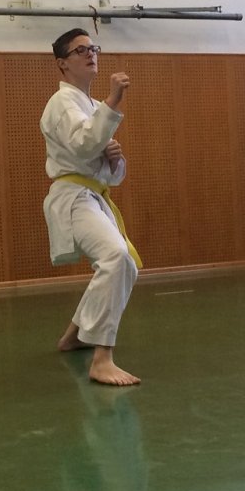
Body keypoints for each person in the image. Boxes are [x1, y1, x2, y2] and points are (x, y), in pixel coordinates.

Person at [40, 27, 142, 386]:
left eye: (93, 48)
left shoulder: (95, 107)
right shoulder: (61, 103)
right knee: (116, 257)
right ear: (62, 64)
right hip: (72, 198)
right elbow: (84, 145)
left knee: (125, 266)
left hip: (93, 196)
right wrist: (114, 99)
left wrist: (115, 159)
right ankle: (102, 359)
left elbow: (111, 174)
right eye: (80, 50)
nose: (91, 54)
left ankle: (74, 336)